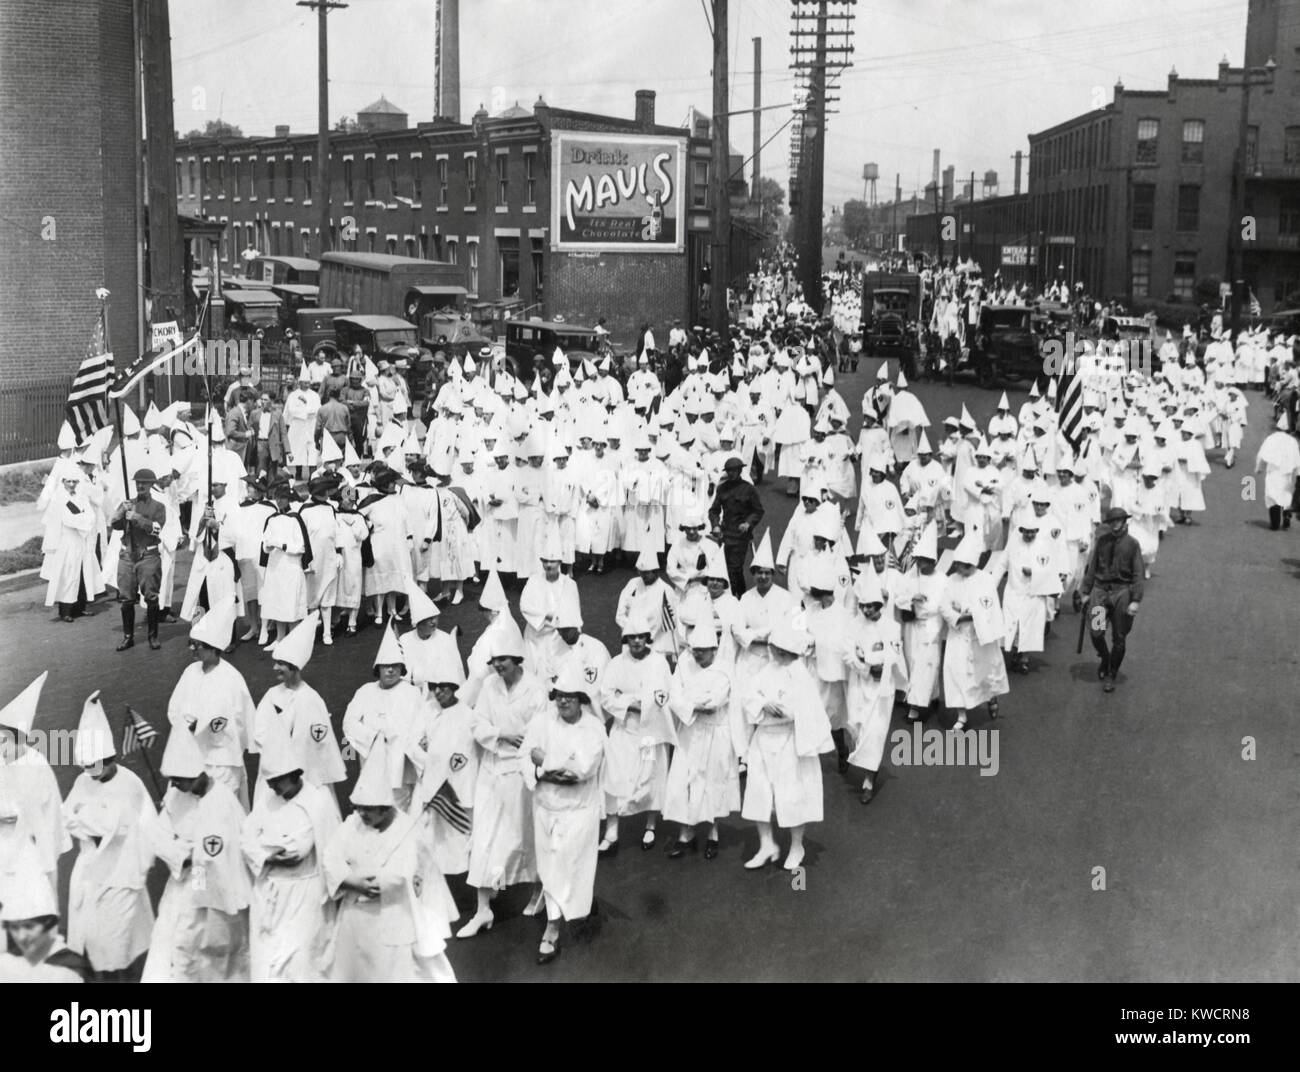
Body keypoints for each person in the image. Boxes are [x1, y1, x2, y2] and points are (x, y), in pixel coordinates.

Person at [322, 741, 457, 983]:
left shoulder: (406, 830)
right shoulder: (353, 823)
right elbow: (331, 854)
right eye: (358, 808)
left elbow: (402, 872)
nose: (361, 814)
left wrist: (372, 882)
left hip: (395, 913)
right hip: (356, 915)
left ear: (385, 809)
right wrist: (351, 880)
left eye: (368, 810)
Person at [459, 615, 548, 937]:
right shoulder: (488, 686)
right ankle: (483, 910)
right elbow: (477, 724)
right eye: (494, 661)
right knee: (483, 839)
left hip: (520, 774)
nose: (498, 667)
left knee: (524, 837)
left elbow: (538, 734)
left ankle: (539, 889)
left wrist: (519, 743)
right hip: (490, 770)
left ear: (517, 659)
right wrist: (501, 734)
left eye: (503, 661)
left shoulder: (536, 690)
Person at [142, 724, 252, 982]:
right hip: (183, 883)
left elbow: (235, 846)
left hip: (216, 887)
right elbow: (158, 836)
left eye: (179, 780)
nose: (175, 785)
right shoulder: (175, 796)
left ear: (195, 773)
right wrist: (185, 854)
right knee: (175, 947)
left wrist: (200, 860)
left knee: (216, 956)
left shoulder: (223, 799)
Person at [522, 664, 611, 965]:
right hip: (545, 808)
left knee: (569, 865)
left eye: (570, 697)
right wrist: (550, 769)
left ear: (582, 698)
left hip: (578, 813)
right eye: (559, 696)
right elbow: (526, 756)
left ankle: (561, 920)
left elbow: (580, 772)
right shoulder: (541, 722)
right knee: (551, 867)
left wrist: (544, 762)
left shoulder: (593, 729)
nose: (563, 702)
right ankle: (559, 920)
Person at [61, 692, 154, 980]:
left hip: (122, 874)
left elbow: (124, 827)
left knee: (121, 944)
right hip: (90, 874)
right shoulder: (83, 780)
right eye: (86, 767)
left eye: (95, 766)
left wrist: (85, 822)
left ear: (109, 756)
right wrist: (85, 824)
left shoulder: (129, 784)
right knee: (92, 942)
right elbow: (67, 816)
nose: (91, 773)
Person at [239, 728, 340, 983]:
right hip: (270, 891)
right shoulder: (266, 799)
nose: (272, 787)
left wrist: (265, 847)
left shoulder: (317, 801)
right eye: (270, 782)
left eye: (277, 781)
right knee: (268, 962)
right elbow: (247, 838)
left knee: (302, 962)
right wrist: (271, 853)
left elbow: (298, 850)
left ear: (293, 775)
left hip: (305, 894)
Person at [739, 616, 833, 871]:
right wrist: (762, 704)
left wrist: (785, 710)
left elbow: (807, 709)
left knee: (792, 797)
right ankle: (766, 843)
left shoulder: (800, 674)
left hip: (789, 741)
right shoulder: (767, 670)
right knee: (759, 795)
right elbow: (748, 695)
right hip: (763, 739)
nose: (775, 652)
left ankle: (796, 845)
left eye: (779, 649)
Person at [597, 614, 676, 854]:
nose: (637, 642)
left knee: (651, 778)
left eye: (641, 637)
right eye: (632, 638)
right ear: (626, 639)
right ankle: (612, 831)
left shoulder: (659, 663)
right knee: (613, 777)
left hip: (650, 732)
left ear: (647, 639)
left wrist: (646, 703)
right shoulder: (616, 664)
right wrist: (631, 704)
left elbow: (664, 695)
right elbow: (607, 696)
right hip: (623, 729)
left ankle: (650, 825)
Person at [252, 612, 347, 809]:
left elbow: (319, 742)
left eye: (281, 664)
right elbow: (259, 730)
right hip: (276, 771)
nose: (275, 668)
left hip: (304, 774)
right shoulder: (272, 695)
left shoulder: (311, 699)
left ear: (294, 668)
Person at [168, 597, 256, 809]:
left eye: (197, 645)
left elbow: (243, 723)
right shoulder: (190, 672)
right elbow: (174, 709)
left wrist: (205, 729)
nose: (192, 649)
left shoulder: (231, 679)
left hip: (223, 759)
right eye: (191, 644)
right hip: (193, 758)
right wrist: (185, 724)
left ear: (213, 647)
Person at [664, 621, 739, 858]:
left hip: (716, 732)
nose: (696, 655)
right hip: (690, 731)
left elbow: (714, 701)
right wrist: (693, 702)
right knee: (684, 781)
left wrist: (690, 700)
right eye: (694, 650)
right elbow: (674, 697)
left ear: (713, 650)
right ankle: (686, 833)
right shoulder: (684, 664)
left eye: (702, 651)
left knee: (713, 782)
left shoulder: (725, 669)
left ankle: (713, 833)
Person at [0, 673, 68, 896]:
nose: (1, 748)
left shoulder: (36, 764)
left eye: (4, 741)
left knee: (40, 898)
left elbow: (50, 810)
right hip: (5, 847)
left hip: (35, 847)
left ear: (19, 739)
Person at [1078, 507, 1144, 694]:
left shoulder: (1132, 544)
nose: (1116, 524)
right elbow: (1092, 567)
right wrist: (1085, 591)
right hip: (1101, 592)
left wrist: (1135, 600)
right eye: (1113, 521)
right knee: (1097, 631)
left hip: (1121, 593)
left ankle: (1111, 674)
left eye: (1119, 520)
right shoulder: (1102, 541)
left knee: (1119, 637)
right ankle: (1105, 658)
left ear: (1125, 522)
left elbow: (1138, 573)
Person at [110, 467, 167, 651]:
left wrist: (137, 518)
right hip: (127, 555)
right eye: (138, 482)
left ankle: (153, 636)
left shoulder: (159, 507)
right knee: (126, 598)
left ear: (152, 484)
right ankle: (128, 637)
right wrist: (121, 512)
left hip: (148, 555)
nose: (140, 485)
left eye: (144, 482)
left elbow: (157, 528)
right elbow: (116, 525)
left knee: (151, 597)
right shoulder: (128, 503)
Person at [0, 876, 90, 983]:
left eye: (29, 927)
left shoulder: (71, 965)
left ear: (47, 923)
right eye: (14, 928)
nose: (21, 936)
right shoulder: (7, 962)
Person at [709, 456, 765, 596]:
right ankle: (735, 596)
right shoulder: (722, 489)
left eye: (734, 470)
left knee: (735, 568)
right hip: (725, 534)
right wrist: (715, 525)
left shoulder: (749, 489)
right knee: (726, 568)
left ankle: (737, 597)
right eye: (729, 470)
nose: (732, 473)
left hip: (741, 536)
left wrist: (748, 523)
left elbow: (758, 510)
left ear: (740, 470)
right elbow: (714, 510)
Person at [1254, 411, 1300, 530]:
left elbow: (1262, 454)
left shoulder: (1271, 439)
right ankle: (1286, 514)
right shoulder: (1292, 442)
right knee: (1285, 494)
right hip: (1287, 473)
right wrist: (1298, 473)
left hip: (1273, 472)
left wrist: (1259, 468)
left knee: (1272, 496)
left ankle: (1275, 523)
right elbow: (1297, 459)